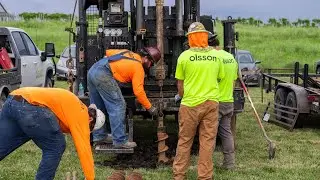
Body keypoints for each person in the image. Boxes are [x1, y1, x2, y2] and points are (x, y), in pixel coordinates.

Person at [0, 87, 105, 180]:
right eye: (90, 128)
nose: (87, 131)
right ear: (91, 119)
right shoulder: (82, 115)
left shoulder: (74, 106)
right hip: (29, 108)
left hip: (13, 100)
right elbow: (84, 149)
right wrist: (90, 177)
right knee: (56, 146)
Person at [172, 22, 225, 180]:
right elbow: (220, 78)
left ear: (190, 38)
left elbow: (180, 85)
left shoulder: (184, 57)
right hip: (211, 104)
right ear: (205, 37)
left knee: (185, 141)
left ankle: (180, 176)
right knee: (207, 142)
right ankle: (205, 176)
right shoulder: (216, 56)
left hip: (190, 105)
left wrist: (184, 96)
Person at [87, 47, 161, 149]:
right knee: (118, 105)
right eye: (151, 63)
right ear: (146, 59)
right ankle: (120, 141)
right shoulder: (138, 67)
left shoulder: (127, 52)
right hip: (103, 74)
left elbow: (108, 53)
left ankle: (99, 136)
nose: (150, 66)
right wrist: (150, 107)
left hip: (93, 70)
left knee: (98, 106)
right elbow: (139, 92)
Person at [209, 32, 238, 169]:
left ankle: (207, 165)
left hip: (216, 101)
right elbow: (233, 81)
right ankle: (229, 163)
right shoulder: (230, 57)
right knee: (226, 133)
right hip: (228, 100)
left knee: (210, 134)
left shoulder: (213, 57)